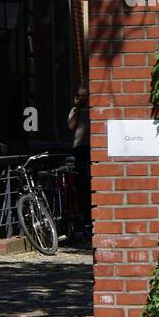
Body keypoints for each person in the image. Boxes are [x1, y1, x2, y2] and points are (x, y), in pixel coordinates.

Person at [67, 86, 91, 234]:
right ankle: (83, 216)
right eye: (78, 96)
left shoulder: (92, 109)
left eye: (84, 96)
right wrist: (76, 108)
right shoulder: (74, 111)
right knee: (81, 182)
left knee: (90, 182)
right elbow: (71, 125)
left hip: (92, 147)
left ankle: (89, 215)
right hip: (79, 148)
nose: (81, 98)